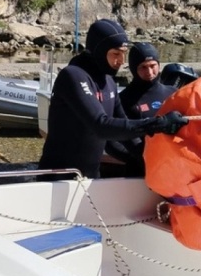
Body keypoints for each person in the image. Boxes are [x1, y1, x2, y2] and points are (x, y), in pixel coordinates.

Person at [38, 19, 187, 180]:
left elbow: (124, 128)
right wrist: (157, 124)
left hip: (90, 177)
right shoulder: (73, 76)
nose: (122, 61)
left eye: (124, 54)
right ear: (99, 51)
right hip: (56, 179)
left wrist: (151, 159)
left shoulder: (108, 81)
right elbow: (100, 125)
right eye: (116, 54)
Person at [115, 42, 179, 177]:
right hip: (140, 170)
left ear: (159, 65)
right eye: (143, 67)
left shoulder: (173, 93)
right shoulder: (123, 99)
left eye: (152, 66)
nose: (149, 72)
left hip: (173, 165)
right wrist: (138, 156)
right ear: (133, 69)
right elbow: (112, 138)